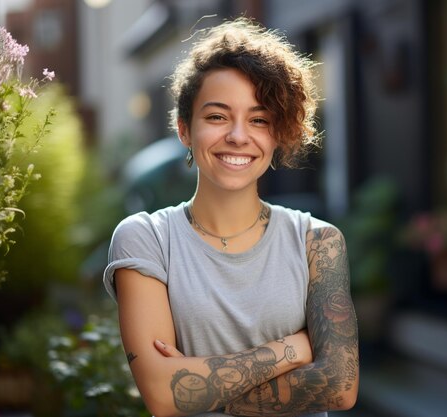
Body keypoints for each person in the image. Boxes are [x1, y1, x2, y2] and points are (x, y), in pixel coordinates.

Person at [103, 17, 359, 417]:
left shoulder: (318, 241)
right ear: (185, 130)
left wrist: (200, 391)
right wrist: (293, 349)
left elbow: (341, 387)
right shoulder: (146, 239)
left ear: (278, 133)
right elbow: (162, 395)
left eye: (259, 119)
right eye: (218, 117)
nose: (239, 136)